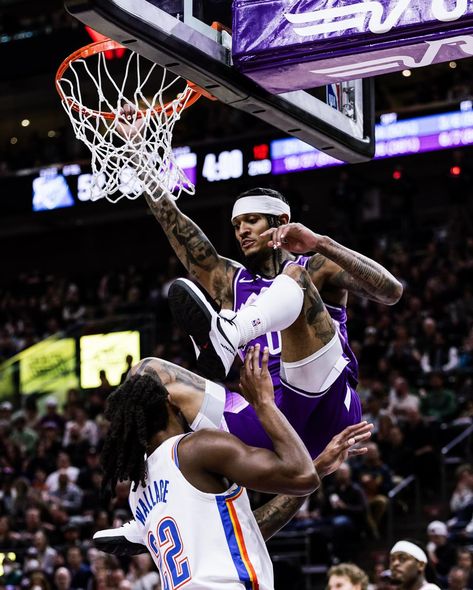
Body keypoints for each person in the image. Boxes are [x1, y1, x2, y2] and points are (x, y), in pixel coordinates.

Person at [144, 185, 402, 459]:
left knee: (295, 276)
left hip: (327, 408)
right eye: (237, 225)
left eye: (252, 220)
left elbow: (391, 292)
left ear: (281, 222)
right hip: (270, 418)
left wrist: (320, 243)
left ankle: (232, 331)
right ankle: (168, 478)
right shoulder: (230, 281)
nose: (242, 230)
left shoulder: (316, 266)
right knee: (150, 373)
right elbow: (174, 221)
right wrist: (141, 164)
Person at [93, 347, 372, 588]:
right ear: (169, 399)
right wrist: (263, 403)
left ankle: (139, 532)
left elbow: (246, 531)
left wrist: (319, 468)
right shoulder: (196, 447)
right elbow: (300, 475)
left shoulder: (137, 489)